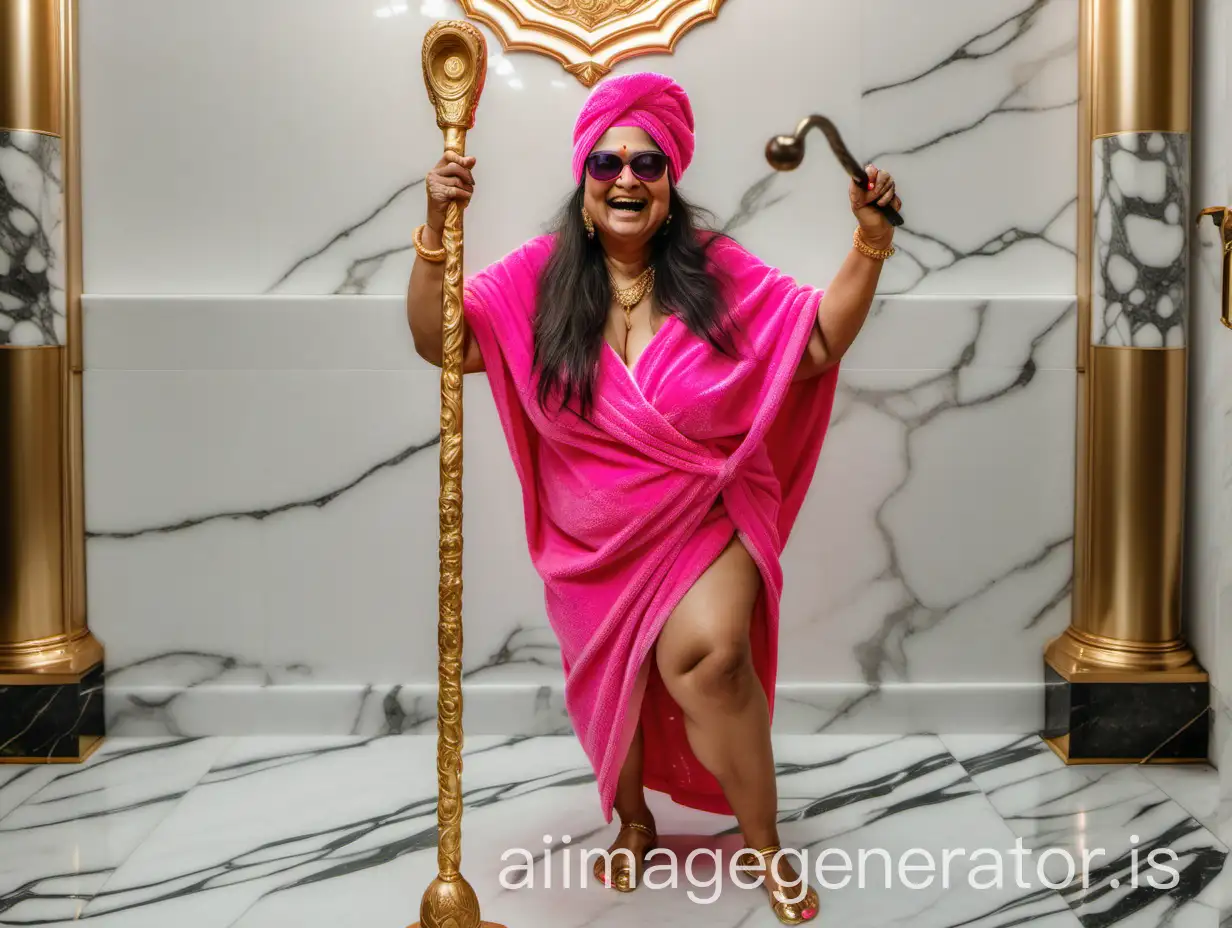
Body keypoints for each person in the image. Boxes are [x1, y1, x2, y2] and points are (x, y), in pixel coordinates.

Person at [406, 72, 899, 924]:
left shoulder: (718, 273)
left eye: (647, 162)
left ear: (671, 185)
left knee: (712, 659)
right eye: (606, 163)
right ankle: (633, 819)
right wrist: (436, 231)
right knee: (621, 682)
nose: (625, 177)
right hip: (589, 545)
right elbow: (438, 339)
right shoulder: (536, 279)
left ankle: (765, 842)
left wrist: (869, 244)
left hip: (709, 518)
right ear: (584, 181)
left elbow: (813, 343)